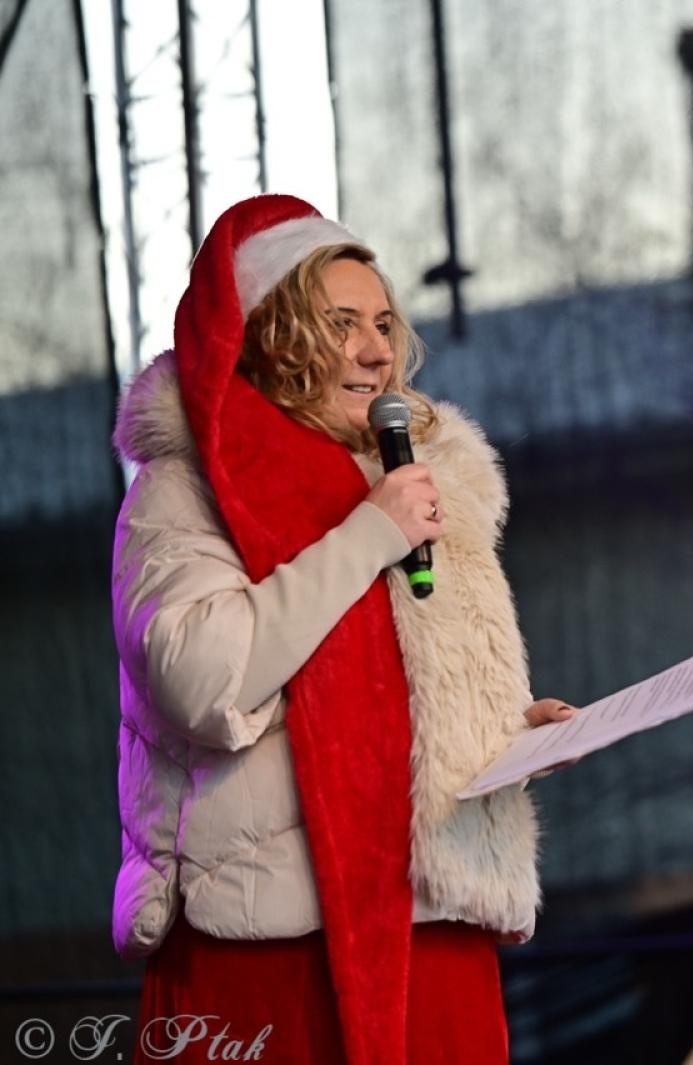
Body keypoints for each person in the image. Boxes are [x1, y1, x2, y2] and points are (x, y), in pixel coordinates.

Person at [111, 194, 574, 1063]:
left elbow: (402, 705)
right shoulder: (184, 494)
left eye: (385, 323)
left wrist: (517, 736)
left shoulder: (417, 486)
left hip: (437, 941)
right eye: (341, 324)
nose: (376, 349)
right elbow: (203, 682)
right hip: (270, 953)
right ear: (273, 334)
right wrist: (368, 534)